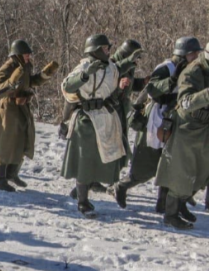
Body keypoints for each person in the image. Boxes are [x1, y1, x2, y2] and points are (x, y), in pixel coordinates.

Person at [114, 37, 201, 216]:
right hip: (155, 120)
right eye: (195, 53)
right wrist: (171, 82)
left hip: (173, 120)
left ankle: (162, 203)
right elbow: (151, 90)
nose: (198, 56)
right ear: (186, 54)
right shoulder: (166, 68)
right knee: (146, 167)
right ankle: (121, 186)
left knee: (169, 163)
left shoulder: (193, 70)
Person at [60, 34, 126, 218]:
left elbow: (112, 91)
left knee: (102, 158)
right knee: (85, 161)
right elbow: (67, 87)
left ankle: (87, 188)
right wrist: (84, 75)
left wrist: (120, 89)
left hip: (104, 117)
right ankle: (82, 201)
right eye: (105, 48)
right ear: (96, 50)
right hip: (86, 119)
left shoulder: (111, 68)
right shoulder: (84, 66)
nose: (108, 51)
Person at [0, 40, 59, 192]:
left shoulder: (26, 66)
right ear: (17, 54)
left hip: (23, 107)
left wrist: (44, 75)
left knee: (23, 141)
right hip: (8, 109)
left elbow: (31, 82)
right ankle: (0, 179)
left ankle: (12, 174)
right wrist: (12, 79)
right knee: (6, 143)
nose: (29, 55)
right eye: (26, 53)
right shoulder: (8, 67)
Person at [155, 37, 209, 230]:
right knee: (181, 173)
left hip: (204, 128)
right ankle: (170, 214)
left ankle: (181, 205)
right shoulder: (192, 71)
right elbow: (185, 101)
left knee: (201, 173)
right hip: (186, 129)